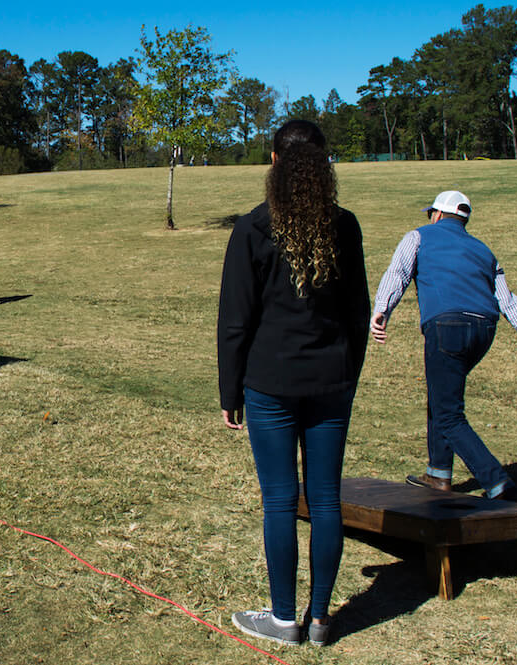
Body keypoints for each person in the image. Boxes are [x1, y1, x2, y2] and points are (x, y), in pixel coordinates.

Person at [217, 120, 368, 647]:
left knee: (280, 500)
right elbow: (359, 314)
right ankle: (320, 619)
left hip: (270, 384)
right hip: (331, 383)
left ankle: (284, 619)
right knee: (325, 500)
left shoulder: (252, 228)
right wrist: (348, 376)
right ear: (323, 165)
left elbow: (235, 321)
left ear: (274, 162)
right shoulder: (344, 226)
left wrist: (230, 392)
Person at [370, 190, 517, 504]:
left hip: (446, 327)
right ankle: (438, 474)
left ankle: (501, 488)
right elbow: (508, 302)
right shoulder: (484, 251)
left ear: (437, 214)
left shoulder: (418, 237)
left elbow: (399, 272)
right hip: (484, 331)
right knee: (443, 396)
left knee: (449, 415)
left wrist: (382, 309)